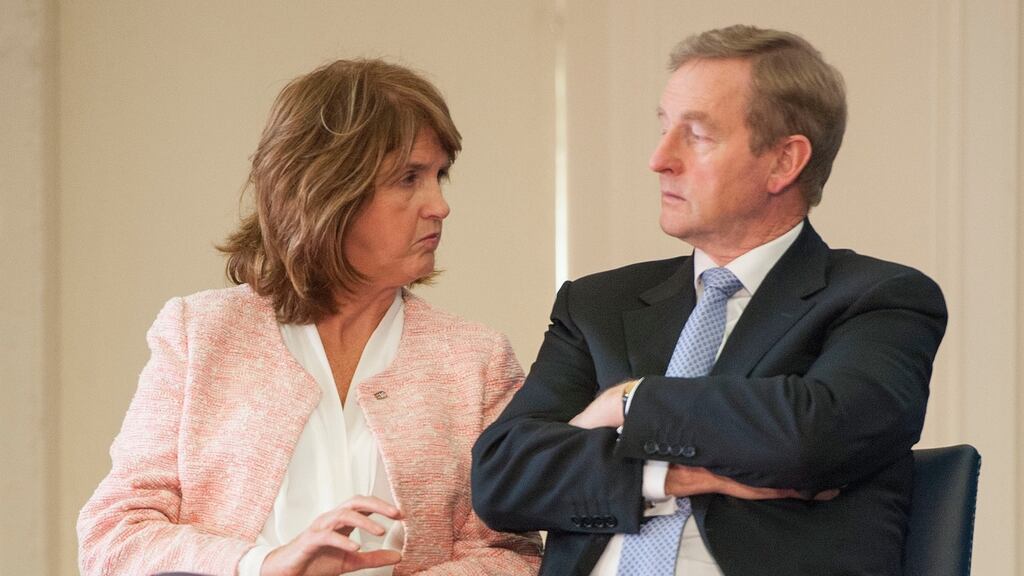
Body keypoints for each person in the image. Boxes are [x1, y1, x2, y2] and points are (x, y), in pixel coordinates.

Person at [471, 25, 947, 576]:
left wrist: (632, 401)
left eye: (695, 136)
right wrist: (672, 475)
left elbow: (814, 434)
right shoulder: (598, 304)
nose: (659, 159)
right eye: (663, 127)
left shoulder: (878, 298)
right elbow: (502, 475)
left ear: (783, 162)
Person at [78, 59, 541, 576]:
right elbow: (115, 536)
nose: (439, 205)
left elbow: (512, 554)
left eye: (439, 176)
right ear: (326, 190)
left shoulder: (476, 359)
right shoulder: (199, 333)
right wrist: (265, 565)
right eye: (408, 178)